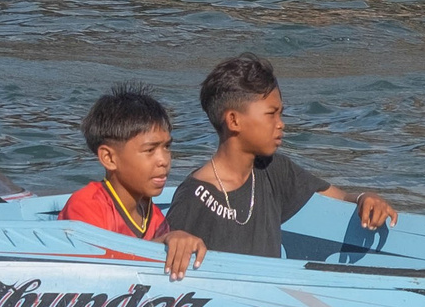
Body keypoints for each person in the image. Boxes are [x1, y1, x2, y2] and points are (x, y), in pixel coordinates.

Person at [162, 55, 397, 260]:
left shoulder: (274, 170)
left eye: (281, 114)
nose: (280, 124)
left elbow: (338, 197)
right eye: (271, 114)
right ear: (233, 121)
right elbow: (161, 255)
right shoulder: (193, 196)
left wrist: (365, 198)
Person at [61, 85, 210, 282]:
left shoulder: (153, 216)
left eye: (166, 147)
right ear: (109, 158)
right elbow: (97, 270)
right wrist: (164, 243)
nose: (163, 160)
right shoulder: (87, 206)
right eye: (150, 150)